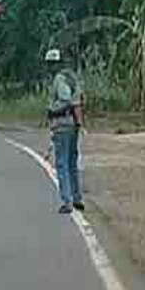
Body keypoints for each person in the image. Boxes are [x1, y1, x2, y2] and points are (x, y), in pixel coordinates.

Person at [45, 49, 85, 214]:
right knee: (71, 163)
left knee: (62, 163)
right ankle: (76, 197)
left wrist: (53, 110)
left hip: (62, 125)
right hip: (73, 125)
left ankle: (67, 201)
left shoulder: (60, 80)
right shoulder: (73, 78)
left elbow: (66, 99)